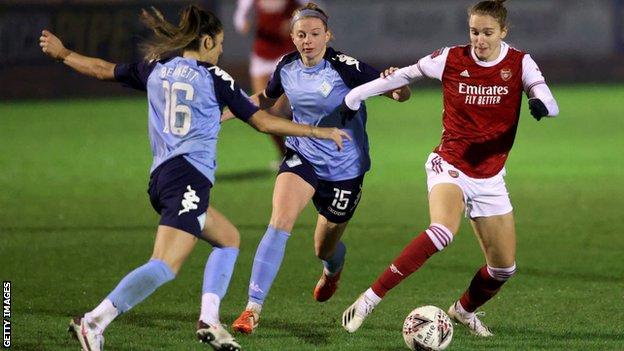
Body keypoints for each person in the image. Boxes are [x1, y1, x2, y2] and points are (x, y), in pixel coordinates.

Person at [39, 5, 349, 351]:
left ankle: (210, 320)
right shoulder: (214, 79)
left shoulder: (157, 68)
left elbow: (101, 70)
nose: (219, 51)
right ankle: (94, 322)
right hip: (188, 178)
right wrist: (315, 131)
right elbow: (263, 121)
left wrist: (63, 53)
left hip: (162, 178)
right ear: (205, 41)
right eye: (218, 44)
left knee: (228, 239)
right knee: (165, 265)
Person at [340, 0, 559, 337]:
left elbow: (546, 97)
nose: (480, 40)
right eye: (474, 32)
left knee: (503, 269)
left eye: (488, 32)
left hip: (490, 176)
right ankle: (369, 299)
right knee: (442, 231)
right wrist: (356, 95)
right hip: (449, 164)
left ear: (504, 31)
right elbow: (407, 73)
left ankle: (463, 311)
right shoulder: (451, 58)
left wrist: (539, 102)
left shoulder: (519, 62)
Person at [228, 2, 411, 334]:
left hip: (345, 171)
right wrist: (226, 111)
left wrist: (397, 86)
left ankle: (332, 269)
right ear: (293, 38)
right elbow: (267, 100)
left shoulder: (345, 67)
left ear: (328, 35)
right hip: (303, 158)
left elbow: (400, 94)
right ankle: (252, 309)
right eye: (301, 35)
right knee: (279, 221)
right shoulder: (286, 66)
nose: (307, 41)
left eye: (314, 34)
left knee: (323, 248)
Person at [233, 0, 308, 167]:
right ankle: (287, 155)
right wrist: (244, 24)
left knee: (277, 109)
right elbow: (240, 17)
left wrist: (293, 23)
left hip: (287, 54)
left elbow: (314, 9)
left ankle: (301, 151)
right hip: (262, 54)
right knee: (264, 111)